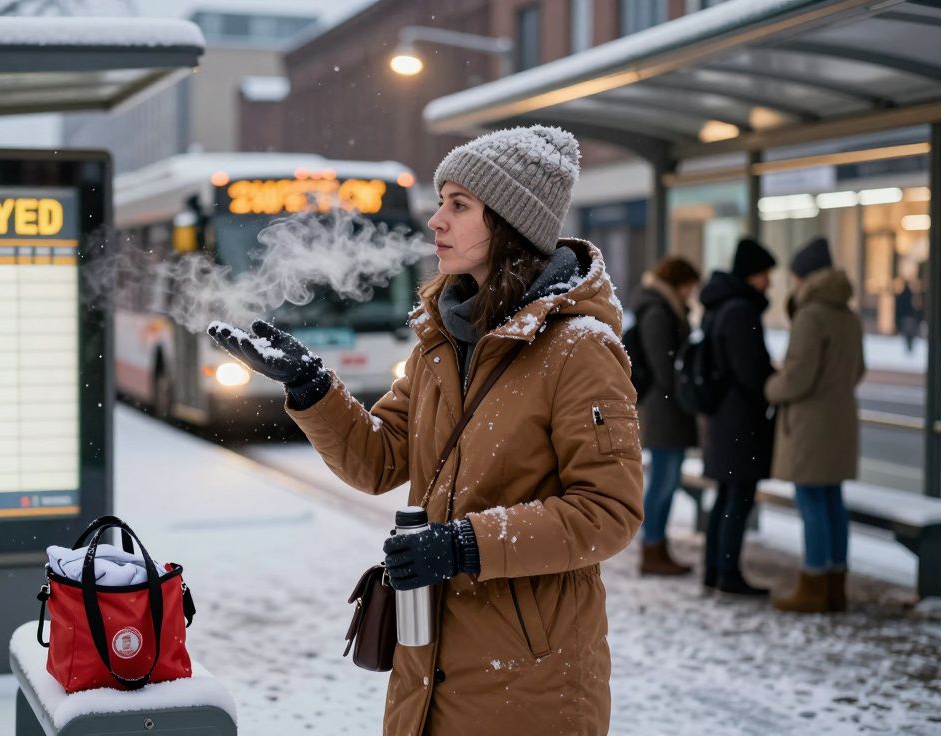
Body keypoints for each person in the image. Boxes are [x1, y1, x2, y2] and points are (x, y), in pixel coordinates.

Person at [209, 126, 642, 735]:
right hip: (428, 662)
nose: (436, 221)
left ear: (511, 225)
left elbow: (609, 512)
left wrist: (467, 544)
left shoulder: (580, 349)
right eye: (441, 202)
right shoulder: (442, 343)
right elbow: (378, 461)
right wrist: (311, 386)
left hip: (531, 681)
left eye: (458, 205)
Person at [766, 238, 865, 614]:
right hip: (840, 419)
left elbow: (797, 378)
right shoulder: (848, 315)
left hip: (810, 424)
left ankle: (813, 585)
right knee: (832, 502)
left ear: (804, 276)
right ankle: (836, 585)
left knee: (810, 502)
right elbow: (859, 370)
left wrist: (771, 386)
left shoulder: (811, 316)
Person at [699, 238, 776, 596]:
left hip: (722, 418)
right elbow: (749, 372)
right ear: (750, 275)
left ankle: (715, 570)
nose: (769, 282)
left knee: (726, 496)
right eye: (764, 274)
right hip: (740, 420)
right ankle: (728, 572)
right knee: (738, 498)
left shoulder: (718, 306)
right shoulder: (741, 311)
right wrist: (772, 378)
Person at [634, 256, 701, 575]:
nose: (691, 294)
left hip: (667, 406)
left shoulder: (664, 307)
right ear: (679, 284)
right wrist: (682, 391)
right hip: (663, 408)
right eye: (689, 287)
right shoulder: (659, 310)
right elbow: (664, 364)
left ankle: (657, 547)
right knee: (664, 480)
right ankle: (652, 548)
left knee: (667, 479)